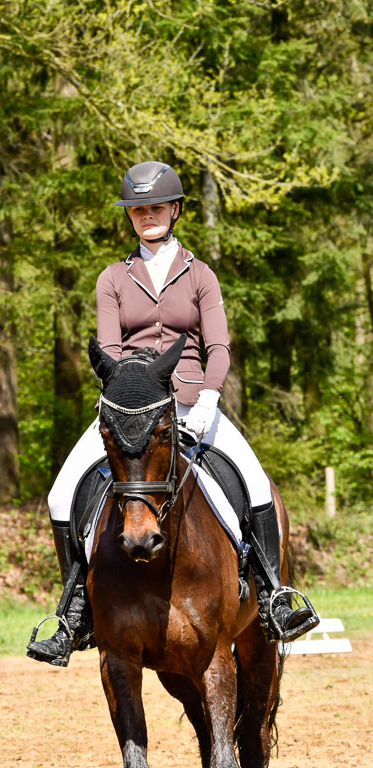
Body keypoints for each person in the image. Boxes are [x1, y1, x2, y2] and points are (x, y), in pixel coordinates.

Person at [27, 161, 318, 667]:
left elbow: (219, 346)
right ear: (131, 218)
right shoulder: (113, 278)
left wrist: (208, 396)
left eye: (155, 207)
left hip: (191, 399)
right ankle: (75, 610)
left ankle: (273, 594)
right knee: (59, 494)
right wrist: (126, 401)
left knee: (252, 480)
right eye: (138, 210)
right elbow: (111, 350)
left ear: (175, 210)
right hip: (132, 406)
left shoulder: (200, 273)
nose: (147, 216)